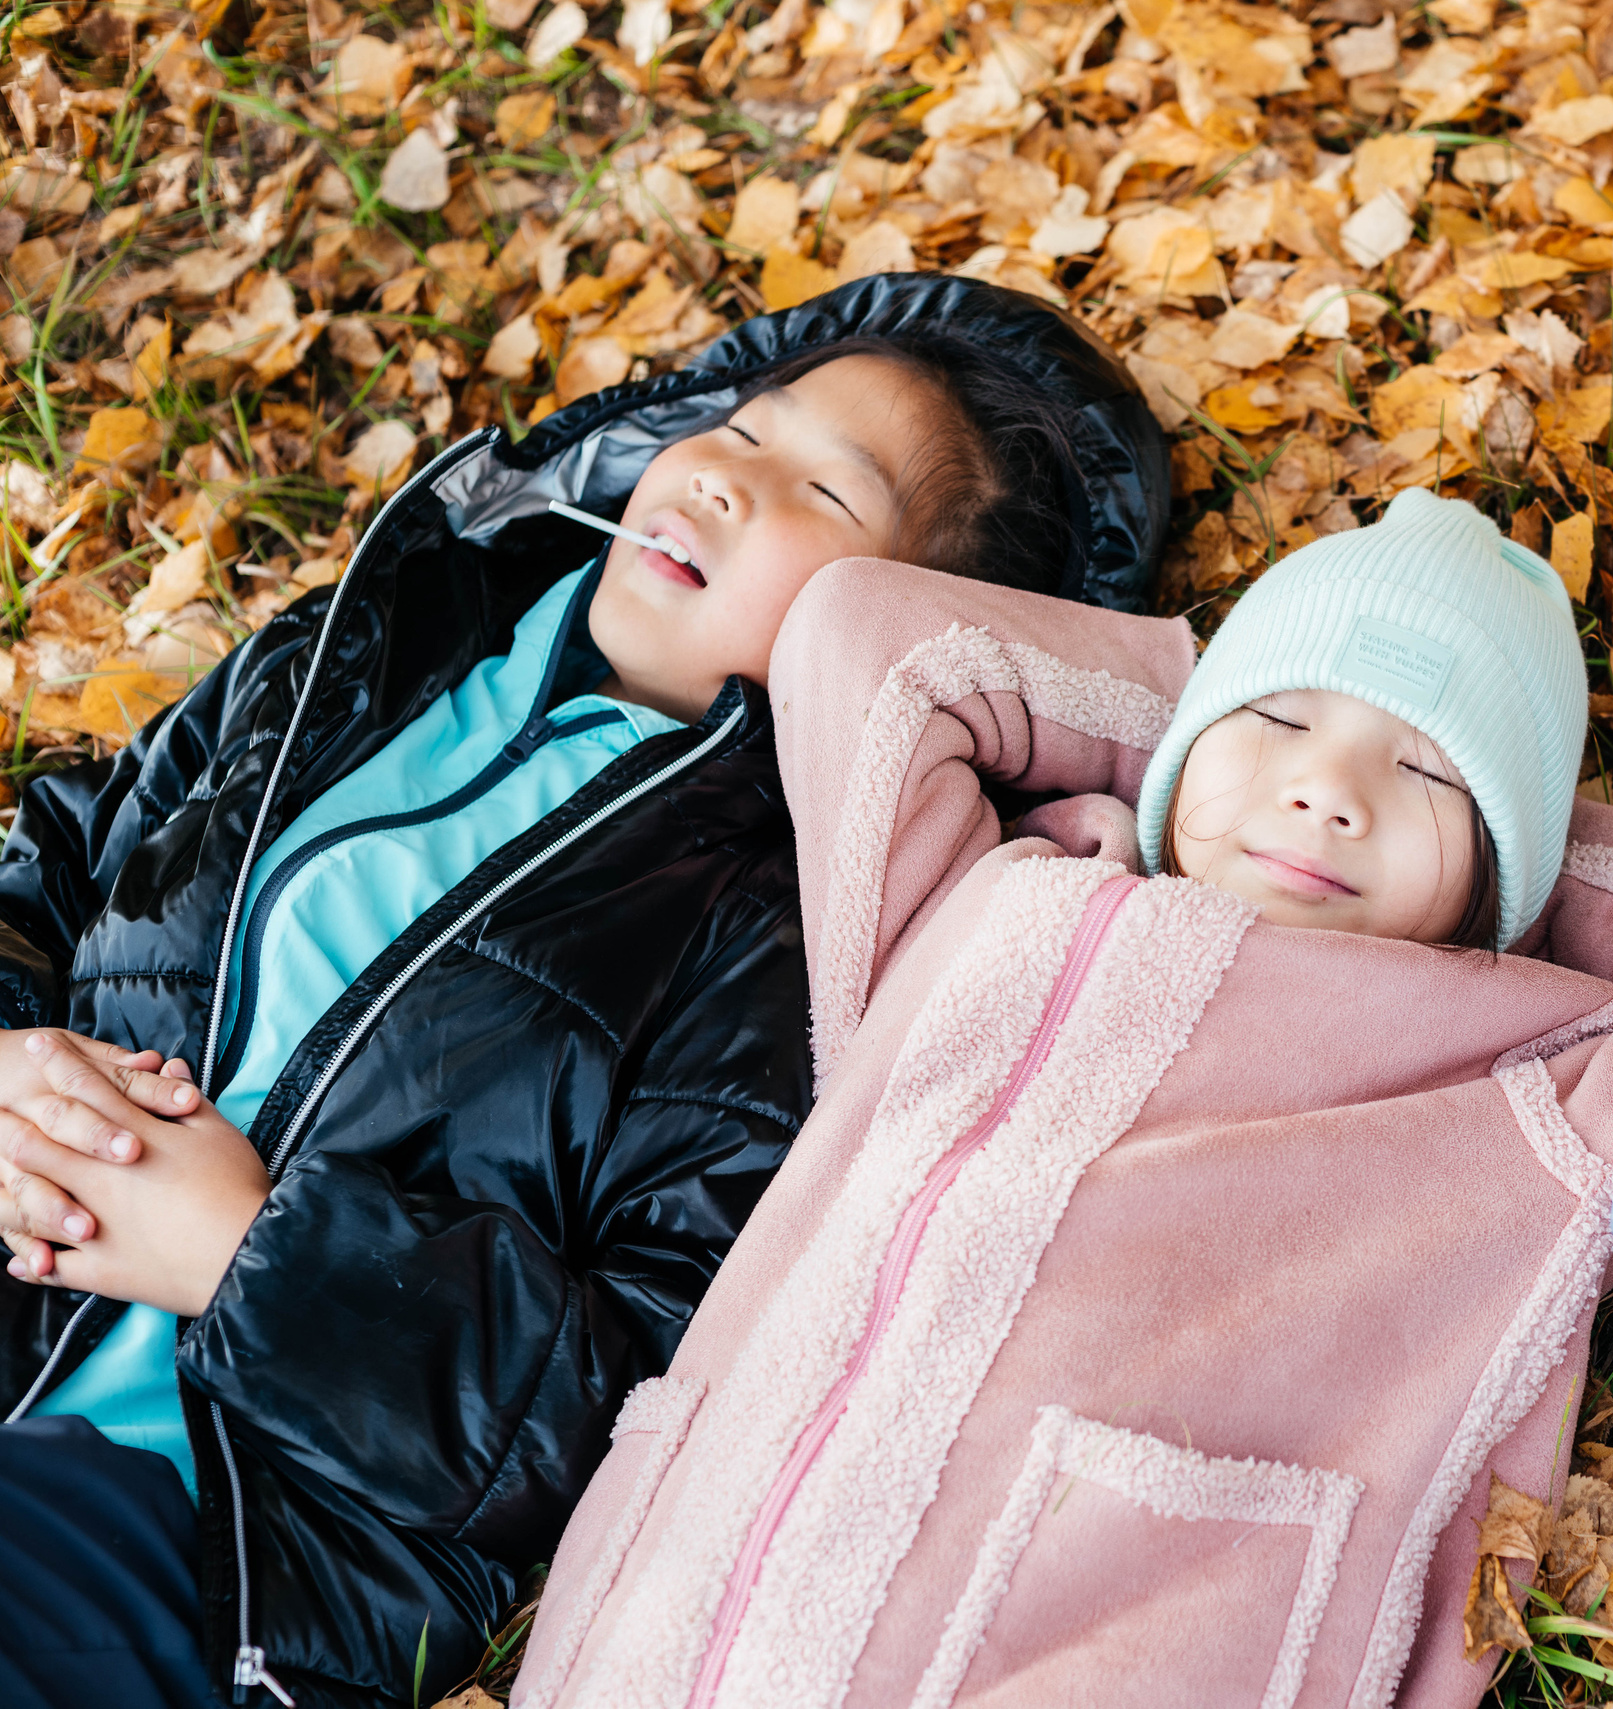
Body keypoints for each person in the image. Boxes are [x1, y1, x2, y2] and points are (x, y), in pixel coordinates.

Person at [0, 273, 1170, 1709]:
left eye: (822, 486)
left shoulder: (782, 940)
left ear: (902, 626)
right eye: (742, 427)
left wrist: (258, 1260)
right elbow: (60, 855)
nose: (725, 479)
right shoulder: (380, 638)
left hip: (215, 1517)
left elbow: (631, 1411)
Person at [509, 488, 1613, 1708]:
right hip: (677, 1614)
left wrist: (1524, 869)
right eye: (1279, 721)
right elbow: (871, 637)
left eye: (1428, 774)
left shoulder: (1533, 1091)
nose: (1327, 790)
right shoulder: (972, 903)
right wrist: (1201, 723)